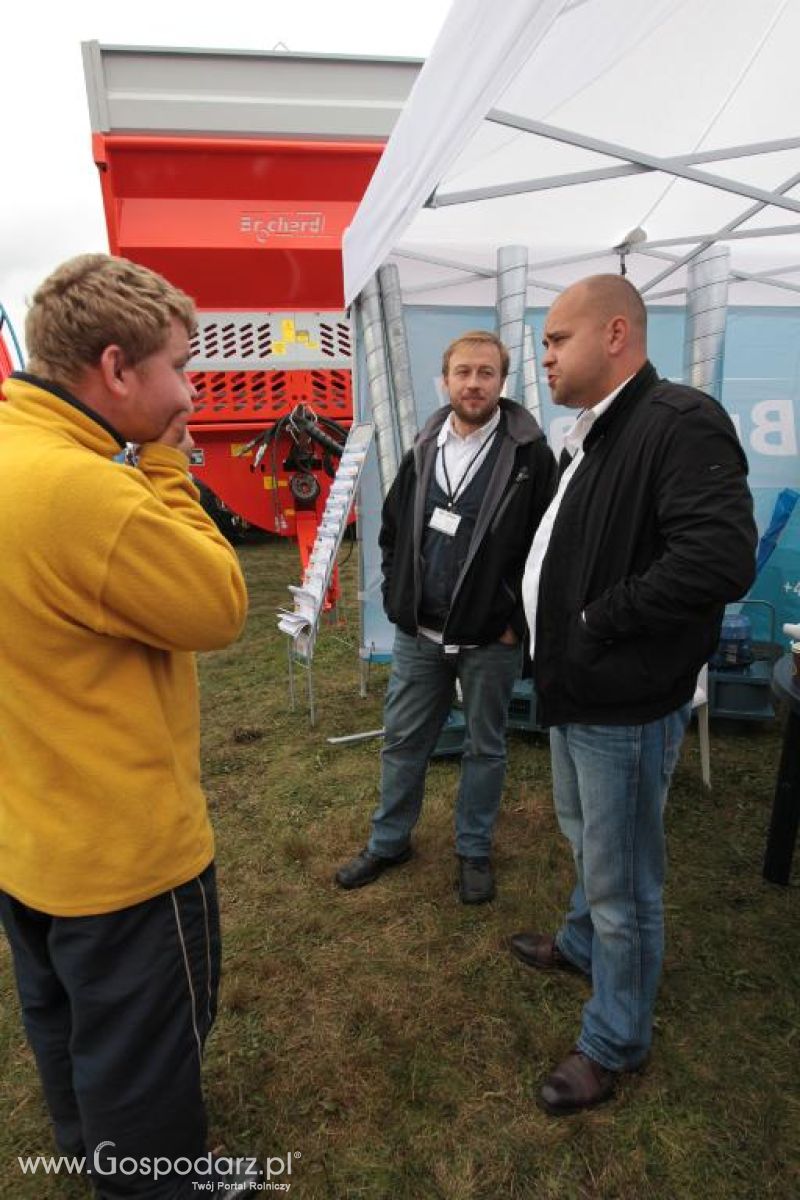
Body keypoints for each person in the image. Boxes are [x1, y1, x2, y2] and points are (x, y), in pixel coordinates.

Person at [0, 255, 259, 1195]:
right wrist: (165, 461)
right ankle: (154, 1178)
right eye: (180, 369)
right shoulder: (85, 490)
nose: (189, 392)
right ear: (116, 369)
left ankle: (87, 1143)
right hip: (122, 852)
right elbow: (217, 604)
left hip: (30, 832)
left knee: (66, 1018)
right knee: (147, 1045)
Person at [510, 275, 757, 1115]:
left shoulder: (678, 422)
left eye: (555, 340)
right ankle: (581, 945)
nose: (542, 357)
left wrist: (598, 617)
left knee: (626, 884)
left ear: (616, 334)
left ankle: (615, 1038)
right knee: (588, 839)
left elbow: (719, 558)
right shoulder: (600, 431)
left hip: (622, 695)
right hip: (580, 686)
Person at [336, 331, 556, 903]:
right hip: (420, 634)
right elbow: (391, 530)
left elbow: (549, 550)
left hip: (490, 639)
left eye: (486, 373)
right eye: (463, 372)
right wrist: (398, 600)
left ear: (502, 382)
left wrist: (517, 624)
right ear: (446, 379)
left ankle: (474, 850)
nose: (473, 383)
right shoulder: (425, 445)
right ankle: (389, 842)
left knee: (486, 747)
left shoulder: (531, 456)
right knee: (404, 740)